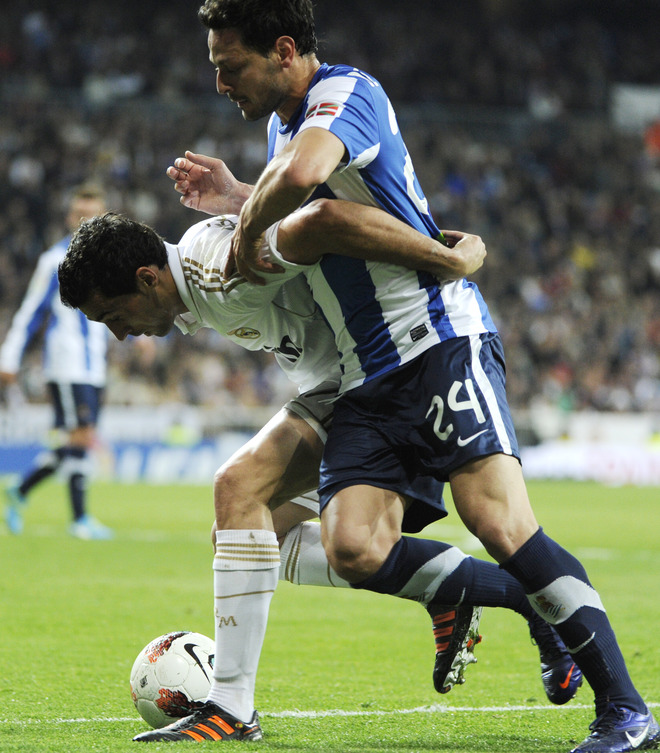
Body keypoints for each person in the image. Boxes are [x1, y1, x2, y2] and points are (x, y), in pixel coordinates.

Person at [156, 2, 658, 751]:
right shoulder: (283, 126)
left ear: (285, 50)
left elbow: (304, 184)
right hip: (367, 373)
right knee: (354, 546)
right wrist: (240, 200)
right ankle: (525, 603)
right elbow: (307, 202)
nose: (221, 82)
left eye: (230, 65)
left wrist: (249, 221)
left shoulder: (346, 94)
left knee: (498, 520)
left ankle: (627, 709)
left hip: (436, 339)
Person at [59, 205, 581, 745]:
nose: (120, 336)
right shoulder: (192, 281)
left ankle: (233, 706)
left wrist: (446, 257)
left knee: (238, 490)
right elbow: (285, 225)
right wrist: (242, 198)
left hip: (386, 382)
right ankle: (467, 590)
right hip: (345, 391)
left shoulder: (213, 269)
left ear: (147, 278)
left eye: (113, 316)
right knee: (244, 534)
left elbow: (320, 220)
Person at [0, 184, 113, 540]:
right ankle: (79, 519)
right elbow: (30, 313)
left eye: (94, 214)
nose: (87, 221)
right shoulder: (54, 260)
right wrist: (9, 356)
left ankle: (19, 489)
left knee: (77, 441)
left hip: (95, 366)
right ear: (69, 217)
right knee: (81, 436)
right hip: (66, 364)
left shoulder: (109, 262)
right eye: (81, 214)